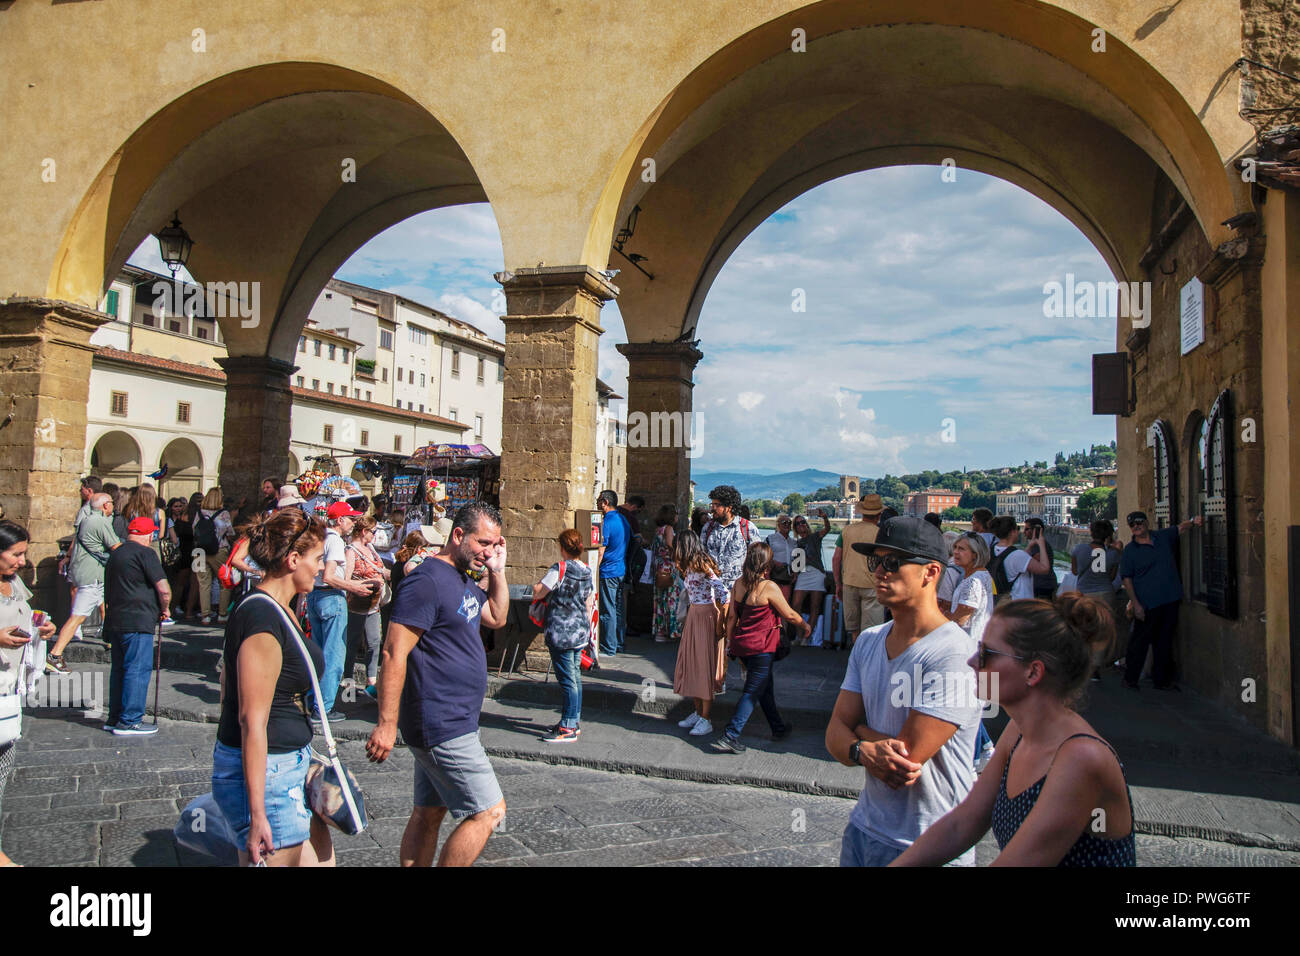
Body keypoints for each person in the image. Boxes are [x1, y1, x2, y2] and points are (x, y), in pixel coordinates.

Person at [890, 594, 1135, 867]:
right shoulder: (1018, 730)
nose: (972, 661)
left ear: (1033, 672)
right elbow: (962, 824)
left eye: (986, 653)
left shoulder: (1081, 758)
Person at [825, 516, 983, 867]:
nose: (880, 571)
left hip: (931, 844)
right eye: (875, 561)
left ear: (930, 572)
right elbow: (833, 735)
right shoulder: (867, 641)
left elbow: (904, 760)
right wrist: (861, 746)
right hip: (864, 830)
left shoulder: (955, 652)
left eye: (893, 562)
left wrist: (857, 732)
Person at [365, 502, 509, 867]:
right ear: (458, 535)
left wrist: (499, 571)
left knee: (429, 814)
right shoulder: (426, 581)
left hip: (454, 718)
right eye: (483, 543)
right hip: (440, 720)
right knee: (489, 811)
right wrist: (386, 723)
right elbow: (393, 652)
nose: (488, 551)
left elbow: (496, 616)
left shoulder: (465, 578)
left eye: (495, 544)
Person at [211, 508, 334, 867]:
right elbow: (251, 719)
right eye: (318, 559)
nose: (322, 568)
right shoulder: (262, 617)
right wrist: (256, 813)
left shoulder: (283, 608)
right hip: (270, 774)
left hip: (287, 763)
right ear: (293, 559)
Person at [711, 542, 809, 753]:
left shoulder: (738, 584)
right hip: (762, 647)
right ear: (767, 564)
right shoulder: (768, 587)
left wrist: (729, 642)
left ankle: (778, 727)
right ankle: (731, 734)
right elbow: (789, 614)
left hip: (742, 644)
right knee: (753, 691)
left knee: (765, 687)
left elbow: (732, 618)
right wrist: (805, 625)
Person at [0, 521, 58, 867]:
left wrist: (42, 626)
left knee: (3, 770)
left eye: (24, 553)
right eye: (15, 554)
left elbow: (26, 616)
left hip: (7, 692)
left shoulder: (14, 583)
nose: (22, 561)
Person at [102, 516, 171, 736]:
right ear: (149, 534)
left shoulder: (116, 554)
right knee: (137, 669)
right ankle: (130, 720)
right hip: (138, 619)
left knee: (120, 670)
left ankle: (115, 717)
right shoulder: (146, 553)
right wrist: (165, 609)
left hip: (115, 619)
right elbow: (163, 589)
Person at [1120, 511, 1202, 691]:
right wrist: (1136, 604)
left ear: (1147, 523)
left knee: (1164, 641)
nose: (1136, 526)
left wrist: (1193, 522)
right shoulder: (1130, 551)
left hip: (1170, 599)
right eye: (1133, 524)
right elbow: (1126, 579)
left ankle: (1161, 680)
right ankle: (1130, 678)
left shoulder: (1162, 537)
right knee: (1139, 642)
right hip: (1147, 604)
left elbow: (1180, 528)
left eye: (1139, 522)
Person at [308, 501, 375, 721]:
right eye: (351, 519)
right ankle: (324, 708)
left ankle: (312, 701)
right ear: (340, 520)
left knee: (317, 652)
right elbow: (329, 575)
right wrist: (353, 586)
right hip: (330, 596)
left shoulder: (321, 537)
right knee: (333, 655)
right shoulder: (335, 541)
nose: (353, 524)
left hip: (315, 596)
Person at [47, 492, 120, 674]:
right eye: (111, 503)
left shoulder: (86, 519)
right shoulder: (100, 522)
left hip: (86, 572)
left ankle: (111, 639)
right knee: (77, 616)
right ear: (105, 505)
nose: (113, 506)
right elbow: (116, 546)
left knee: (105, 605)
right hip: (92, 575)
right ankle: (55, 655)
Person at [533, 528, 594, 743]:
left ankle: (567, 726)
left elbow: (540, 591)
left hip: (560, 631)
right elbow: (588, 602)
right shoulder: (586, 570)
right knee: (575, 677)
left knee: (568, 680)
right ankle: (573, 721)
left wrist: (536, 587)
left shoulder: (559, 568)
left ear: (562, 547)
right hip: (579, 630)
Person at [673, 530, 729, 738]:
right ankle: (698, 713)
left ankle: (705, 718)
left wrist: (722, 615)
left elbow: (722, 590)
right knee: (691, 663)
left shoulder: (702, 564)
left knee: (703, 664)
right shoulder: (687, 566)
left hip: (705, 615)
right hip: (695, 614)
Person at [345, 514, 390, 701]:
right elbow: (346, 580)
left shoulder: (370, 548)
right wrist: (367, 581)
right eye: (373, 532)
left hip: (373, 604)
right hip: (357, 604)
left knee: (374, 642)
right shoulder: (351, 551)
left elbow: (380, 569)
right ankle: (347, 685)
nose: (375, 535)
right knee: (352, 643)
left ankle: (371, 682)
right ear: (364, 532)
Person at [834, 493, 886, 648]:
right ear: (879, 514)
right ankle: (867, 663)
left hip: (849, 583)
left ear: (861, 512)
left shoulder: (847, 531)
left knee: (854, 630)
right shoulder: (880, 534)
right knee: (870, 631)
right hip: (872, 585)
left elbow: (836, 558)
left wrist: (838, 583)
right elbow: (884, 562)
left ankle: (856, 657)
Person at [1072, 520, 1122, 680]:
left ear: (1091, 532)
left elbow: (1074, 571)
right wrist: (1112, 544)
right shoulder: (1113, 554)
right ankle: (1095, 667)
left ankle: (1080, 663)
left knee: (1082, 628)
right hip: (1105, 594)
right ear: (1109, 535)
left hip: (1083, 594)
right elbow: (1112, 576)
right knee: (1101, 631)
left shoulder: (1079, 549)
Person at [595, 489, 630, 656]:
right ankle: (619, 643)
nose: (597, 503)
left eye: (598, 500)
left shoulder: (607, 522)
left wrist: (594, 569)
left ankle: (608, 647)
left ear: (605, 503)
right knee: (618, 609)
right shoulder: (623, 519)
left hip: (608, 571)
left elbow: (601, 549)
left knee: (607, 610)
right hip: (620, 569)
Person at [987, 515, 1052, 604]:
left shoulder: (991, 550)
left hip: (1001, 601)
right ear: (1012, 532)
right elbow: (1044, 569)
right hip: (1020, 602)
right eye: (1017, 528)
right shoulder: (1018, 555)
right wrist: (1041, 544)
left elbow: (1018, 560)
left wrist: (1030, 546)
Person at [790, 510, 832, 646]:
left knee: (815, 606)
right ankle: (799, 634)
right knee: (796, 605)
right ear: (795, 528)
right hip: (803, 575)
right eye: (798, 523)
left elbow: (827, 529)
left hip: (817, 574)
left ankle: (805, 638)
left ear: (806, 524)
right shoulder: (796, 543)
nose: (801, 524)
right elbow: (796, 563)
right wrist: (795, 575)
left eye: (803, 522)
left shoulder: (815, 537)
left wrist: (825, 517)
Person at [650, 504, 684, 643]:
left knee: (659, 600)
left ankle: (659, 632)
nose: (677, 517)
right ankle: (673, 630)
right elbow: (670, 545)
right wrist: (679, 558)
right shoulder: (669, 529)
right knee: (672, 599)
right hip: (669, 566)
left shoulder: (658, 529)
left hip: (659, 566)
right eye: (675, 514)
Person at [1023, 517, 1058, 599]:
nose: (1024, 532)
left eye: (1026, 529)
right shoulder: (1038, 544)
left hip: (1043, 586)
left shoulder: (1038, 546)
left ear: (1035, 530)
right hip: (1044, 585)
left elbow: (1029, 563)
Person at [766, 515, 798, 602]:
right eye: (784, 522)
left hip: (787, 577)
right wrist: (774, 562)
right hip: (773, 575)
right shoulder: (770, 538)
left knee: (784, 602)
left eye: (789, 522)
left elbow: (796, 559)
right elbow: (764, 556)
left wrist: (795, 573)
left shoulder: (794, 542)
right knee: (771, 603)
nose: (787, 524)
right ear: (778, 525)